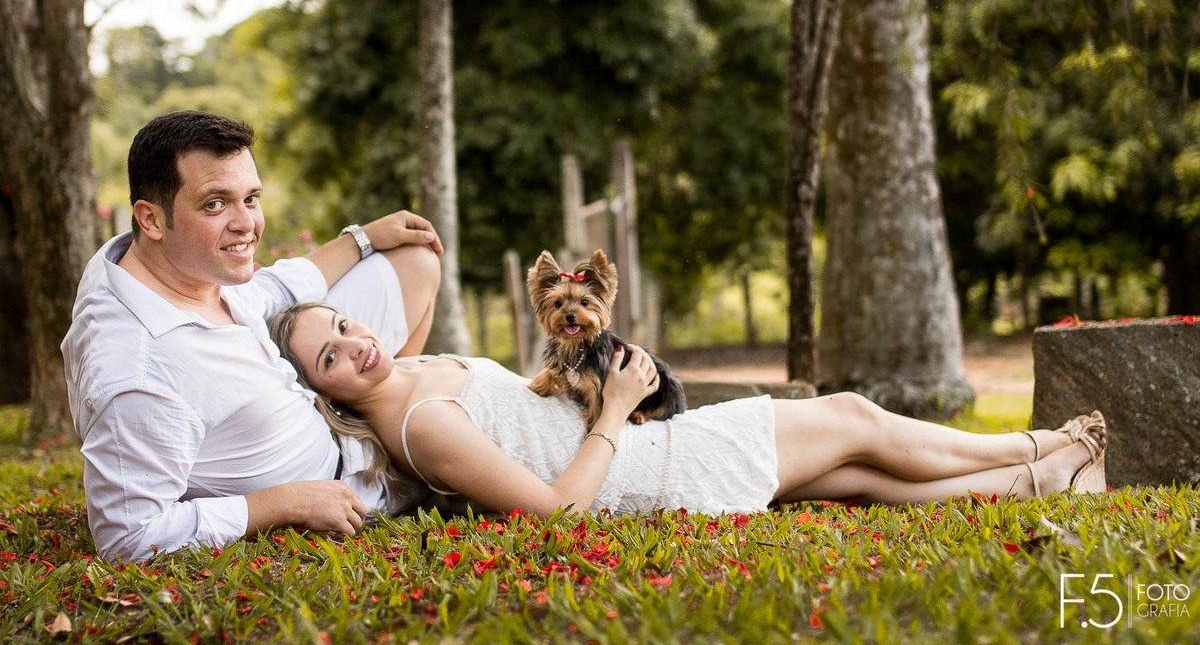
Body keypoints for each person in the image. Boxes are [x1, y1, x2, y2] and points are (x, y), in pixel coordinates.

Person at [268, 301, 1108, 518]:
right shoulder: (416, 422)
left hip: (652, 451)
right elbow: (556, 509)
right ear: (321, 389)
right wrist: (621, 404)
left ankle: (1045, 480)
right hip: (655, 466)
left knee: (856, 474)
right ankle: (1043, 443)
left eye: (344, 324)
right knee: (854, 417)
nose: (354, 345)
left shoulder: (409, 364)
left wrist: (370, 236)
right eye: (328, 356)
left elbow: (418, 272)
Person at [62, 110, 444, 562]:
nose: (247, 224)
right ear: (151, 219)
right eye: (215, 204)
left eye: (251, 198)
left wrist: (364, 238)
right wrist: (282, 503)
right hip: (352, 478)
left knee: (414, 259)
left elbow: (271, 291)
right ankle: (408, 434)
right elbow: (127, 539)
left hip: (328, 406)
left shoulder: (159, 265)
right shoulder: (138, 370)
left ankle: (389, 400)